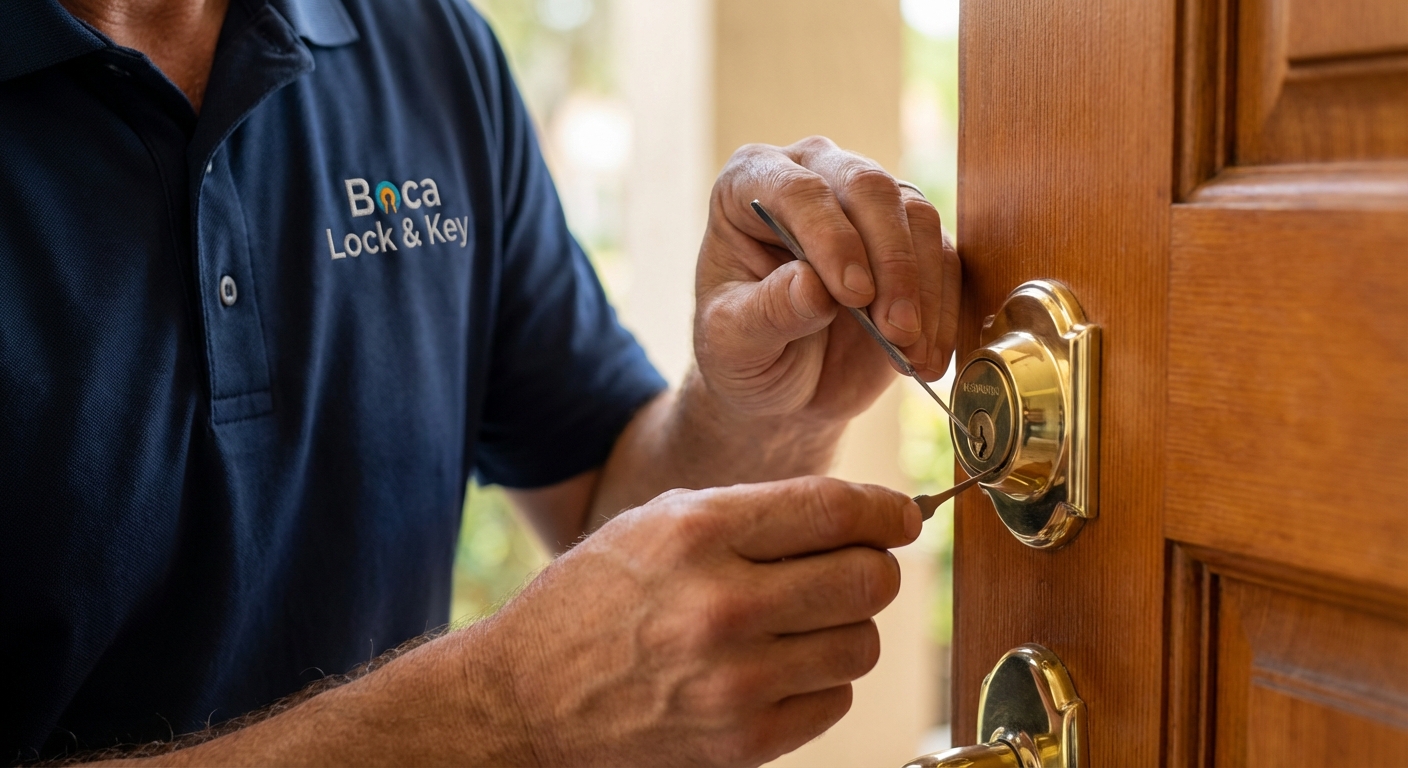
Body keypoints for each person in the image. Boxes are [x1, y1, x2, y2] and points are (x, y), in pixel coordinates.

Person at [0, 0, 960, 764]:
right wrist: (502, 714)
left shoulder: (424, 46)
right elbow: (513, 708)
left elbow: (604, 492)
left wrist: (762, 414)